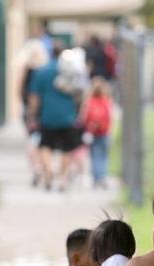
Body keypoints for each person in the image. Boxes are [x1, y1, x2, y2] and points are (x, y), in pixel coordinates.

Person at [27, 41, 80, 191]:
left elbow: (34, 96)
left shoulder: (41, 71)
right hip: (67, 116)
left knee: (45, 146)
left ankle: (49, 171)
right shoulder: (70, 70)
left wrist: (32, 114)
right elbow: (78, 92)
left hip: (47, 116)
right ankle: (63, 179)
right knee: (66, 148)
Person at [19, 40, 50, 186]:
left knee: (31, 141)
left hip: (30, 111)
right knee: (43, 142)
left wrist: (28, 110)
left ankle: (36, 167)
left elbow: (20, 91)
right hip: (43, 110)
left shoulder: (26, 71)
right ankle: (44, 168)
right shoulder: (45, 71)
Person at [82, 77, 113, 189]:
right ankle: (102, 177)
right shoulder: (107, 101)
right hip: (104, 132)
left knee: (94, 156)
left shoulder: (89, 102)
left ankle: (96, 179)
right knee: (104, 156)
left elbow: (84, 117)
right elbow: (110, 117)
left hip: (92, 133)